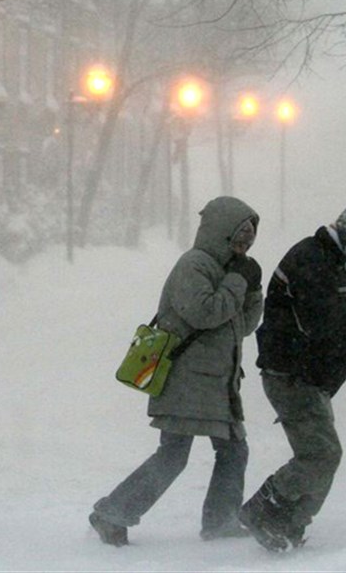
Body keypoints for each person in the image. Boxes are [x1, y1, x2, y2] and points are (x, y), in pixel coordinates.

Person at [89, 196, 264, 546]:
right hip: (186, 379)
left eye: (249, 239)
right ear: (220, 233)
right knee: (174, 455)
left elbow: (241, 326)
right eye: (238, 237)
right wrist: (237, 283)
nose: (244, 245)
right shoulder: (194, 266)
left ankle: (220, 521)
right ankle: (112, 514)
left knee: (232, 451)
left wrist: (253, 289)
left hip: (217, 384)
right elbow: (205, 313)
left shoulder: (230, 271)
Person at [240, 195, 346, 552]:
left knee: (325, 453)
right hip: (292, 374)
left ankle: (287, 523)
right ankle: (265, 510)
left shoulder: (330, 260)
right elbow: (316, 321)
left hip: (306, 376)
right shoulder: (313, 258)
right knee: (322, 454)